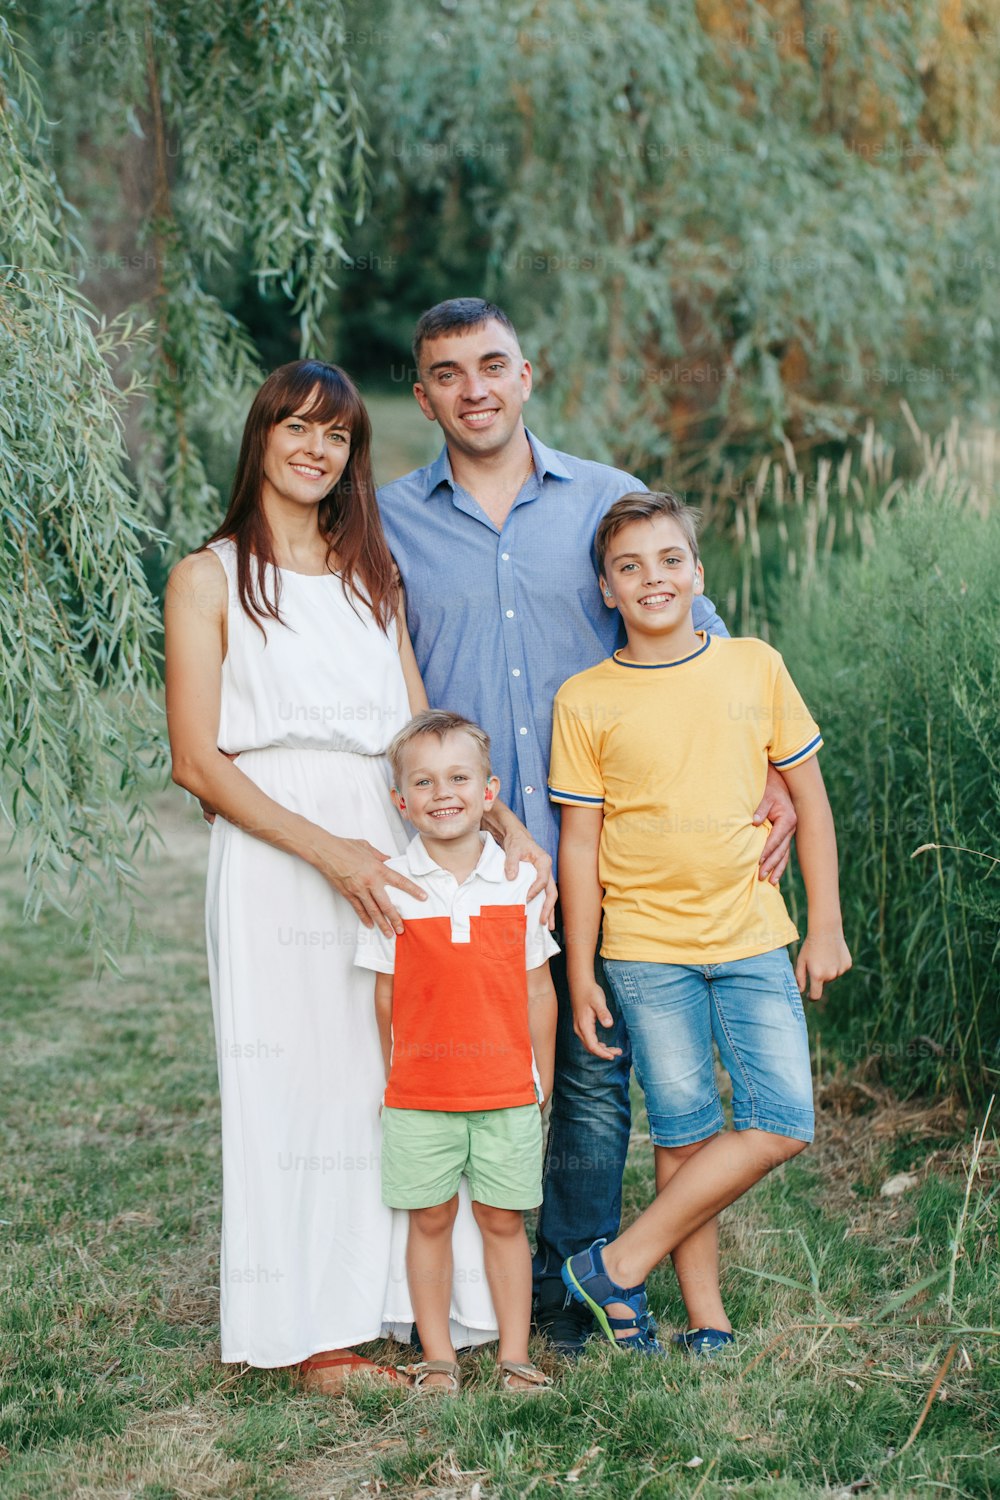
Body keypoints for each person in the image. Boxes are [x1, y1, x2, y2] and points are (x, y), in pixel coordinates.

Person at [376, 297, 799, 1352]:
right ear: (421, 391)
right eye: (446, 372)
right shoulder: (387, 522)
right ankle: (472, 1286)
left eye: (491, 364)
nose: (472, 387)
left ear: (530, 373)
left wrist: (779, 778)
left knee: (596, 1066)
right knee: (479, 1067)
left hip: (608, 850)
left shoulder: (609, 505)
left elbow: (700, 651)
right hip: (469, 854)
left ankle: (578, 1288)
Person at [164, 360, 549, 1393]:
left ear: (351, 456)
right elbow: (197, 762)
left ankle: (404, 1303)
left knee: (397, 1078)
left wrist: (505, 823)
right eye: (294, 427)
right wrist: (329, 852)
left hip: (388, 846)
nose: (314, 448)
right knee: (293, 1086)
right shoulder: (208, 576)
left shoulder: (369, 573)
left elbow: (418, 734)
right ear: (261, 439)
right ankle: (308, 1333)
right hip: (280, 857)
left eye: (334, 436)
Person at [550, 491, 852, 1353]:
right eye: (630, 567)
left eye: (670, 560)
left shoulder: (753, 665)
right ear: (606, 590)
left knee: (783, 1120)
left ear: (698, 572)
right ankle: (706, 1320)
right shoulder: (586, 699)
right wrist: (580, 972)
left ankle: (618, 1262)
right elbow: (580, 845)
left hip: (754, 931)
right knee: (683, 1130)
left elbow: (811, 803)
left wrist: (823, 922)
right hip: (646, 948)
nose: (654, 579)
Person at [355, 710, 558, 1394]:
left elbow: (539, 993)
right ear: (401, 801)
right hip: (421, 1094)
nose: (444, 793)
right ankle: (437, 1355)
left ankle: (515, 1355)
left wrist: (541, 1081)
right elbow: (385, 999)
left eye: (459, 777)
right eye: (425, 781)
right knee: (431, 1217)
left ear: (489, 790)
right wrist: (397, 1078)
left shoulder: (518, 883)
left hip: (506, 1089)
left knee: (503, 1220)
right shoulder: (393, 889)